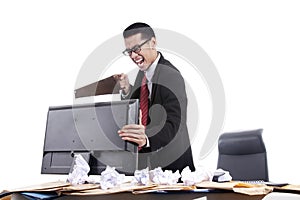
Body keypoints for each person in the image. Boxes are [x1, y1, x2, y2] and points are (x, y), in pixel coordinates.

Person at [117, 22, 195, 172]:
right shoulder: (144, 73)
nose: (133, 56)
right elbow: (142, 106)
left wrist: (147, 140)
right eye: (129, 51)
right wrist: (127, 89)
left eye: (136, 49)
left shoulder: (171, 75)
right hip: (149, 167)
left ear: (153, 42)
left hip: (173, 169)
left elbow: (175, 124)